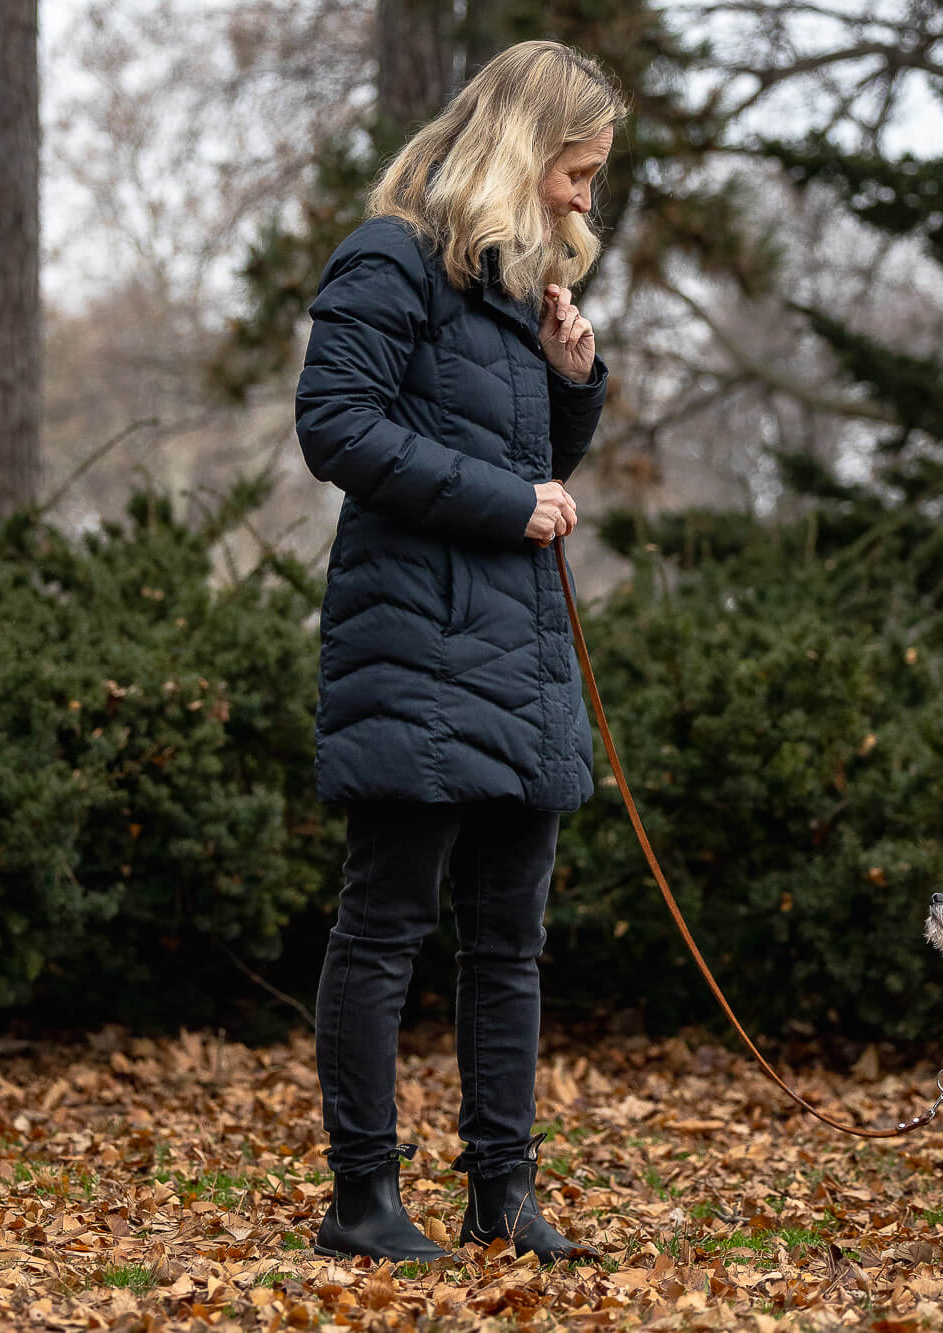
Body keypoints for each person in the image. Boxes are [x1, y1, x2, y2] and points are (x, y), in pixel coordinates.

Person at [292, 40, 626, 1266]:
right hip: (414, 650)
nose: (585, 199)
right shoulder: (391, 259)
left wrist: (573, 380)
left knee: (510, 944)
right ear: (523, 147)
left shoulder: (510, 291)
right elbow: (334, 426)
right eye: (576, 171)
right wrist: (506, 500)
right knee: (383, 929)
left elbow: (537, 469)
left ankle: (502, 1195)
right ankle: (363, 1201)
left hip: (517, 654)